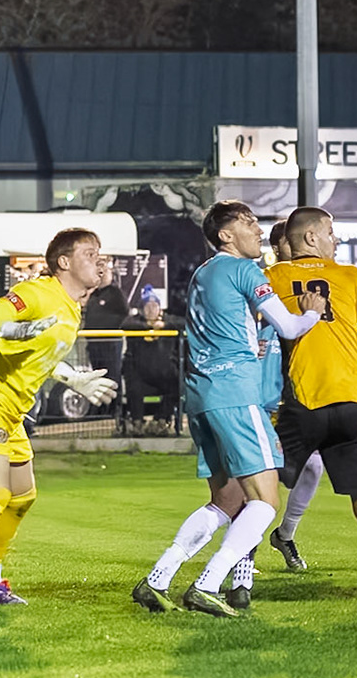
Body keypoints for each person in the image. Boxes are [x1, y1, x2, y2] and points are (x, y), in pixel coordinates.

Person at [133, 203, 324, 617]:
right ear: (225, 235)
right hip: (235, 393)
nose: (258, 229)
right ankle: (208, 584)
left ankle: (157, 578)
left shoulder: (203, 273)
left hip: (202, 396)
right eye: (248, 222)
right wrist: (312, 311)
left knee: (226, 500)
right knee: (266, 501)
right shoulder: (245, 270)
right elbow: (289, 327)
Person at [0, 229, 117, 618]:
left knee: (22, 496)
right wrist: (11, 327)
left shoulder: (71, 309)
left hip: (11, 410)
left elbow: (37, 355)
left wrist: (71, 378)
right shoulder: (38, 292)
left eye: (100, 253)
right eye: (90, 253)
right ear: (64, 262)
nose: (99, 260)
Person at [261, 207, 357, 608]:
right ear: (311, 237)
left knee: (259, 495)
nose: (336, 239)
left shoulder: (272, 277)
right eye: (330, 232)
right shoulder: (350, 277)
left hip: (302, 402)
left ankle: (240, 579)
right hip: (353, 402)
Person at [262, 216, 325, 575]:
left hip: (295, 396)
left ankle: (285, 535)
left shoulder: (310, 290)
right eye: (290, 242)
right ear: (278, 248)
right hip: (262, 399)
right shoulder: (266, 285)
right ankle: (242, 556)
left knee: (313, 466)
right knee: (257, 477)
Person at [119, 295, 181, 432]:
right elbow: (125, 325)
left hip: (163, 374)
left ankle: (161, 420)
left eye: (154, 306)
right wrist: (147, 326)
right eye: (147, 306)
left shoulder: (168, 320)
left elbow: (184, 323)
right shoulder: (134, 321)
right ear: (142, 310)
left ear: (160, 309)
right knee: (132, 382)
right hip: (140, 375)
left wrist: (164, 325)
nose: (151, 310)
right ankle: (137, 422)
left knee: (177, 383)